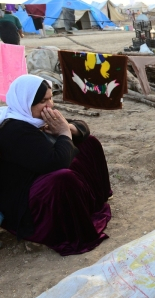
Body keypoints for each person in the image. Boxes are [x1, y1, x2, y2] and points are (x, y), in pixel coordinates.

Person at [0, 75, 112, 256]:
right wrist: (64, 133)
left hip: (41, 173)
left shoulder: (35, 117)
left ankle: (94, 201)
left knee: (88, 143)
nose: (50, 105)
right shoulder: (14, 129)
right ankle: (69, 226)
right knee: (63, 178)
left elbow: (82, 127)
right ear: (26, 102)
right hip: (24, 199)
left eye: (51, 98)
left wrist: (70, 128)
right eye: (43, 101)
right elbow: (56, 162)